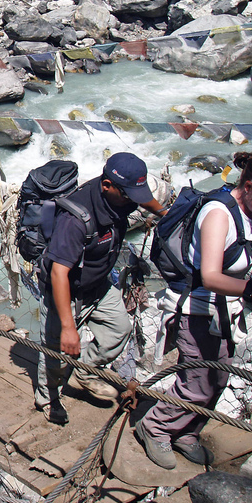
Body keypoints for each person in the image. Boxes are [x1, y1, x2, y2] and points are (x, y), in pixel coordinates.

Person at [136, 152, 252, 468]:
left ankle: (186, 432)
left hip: (224, 311)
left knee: (217, 379)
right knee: (197, 383)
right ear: (248, 186)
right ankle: (155, 428)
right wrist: (250, 288)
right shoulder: (218, 214)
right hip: (196, 311)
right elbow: (210, 276)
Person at [36, 153, 165, 425]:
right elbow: (59, 272)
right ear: (107, 185)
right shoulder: (76, 218)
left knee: (119, 330)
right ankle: (48, 399)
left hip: (97, 283)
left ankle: (83, 372)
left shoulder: (120, 196)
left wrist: (166, 213)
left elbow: (143, 198)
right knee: (57, 353)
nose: (134, 200)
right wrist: (70, 328)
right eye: (129, 194)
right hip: (66, 291)